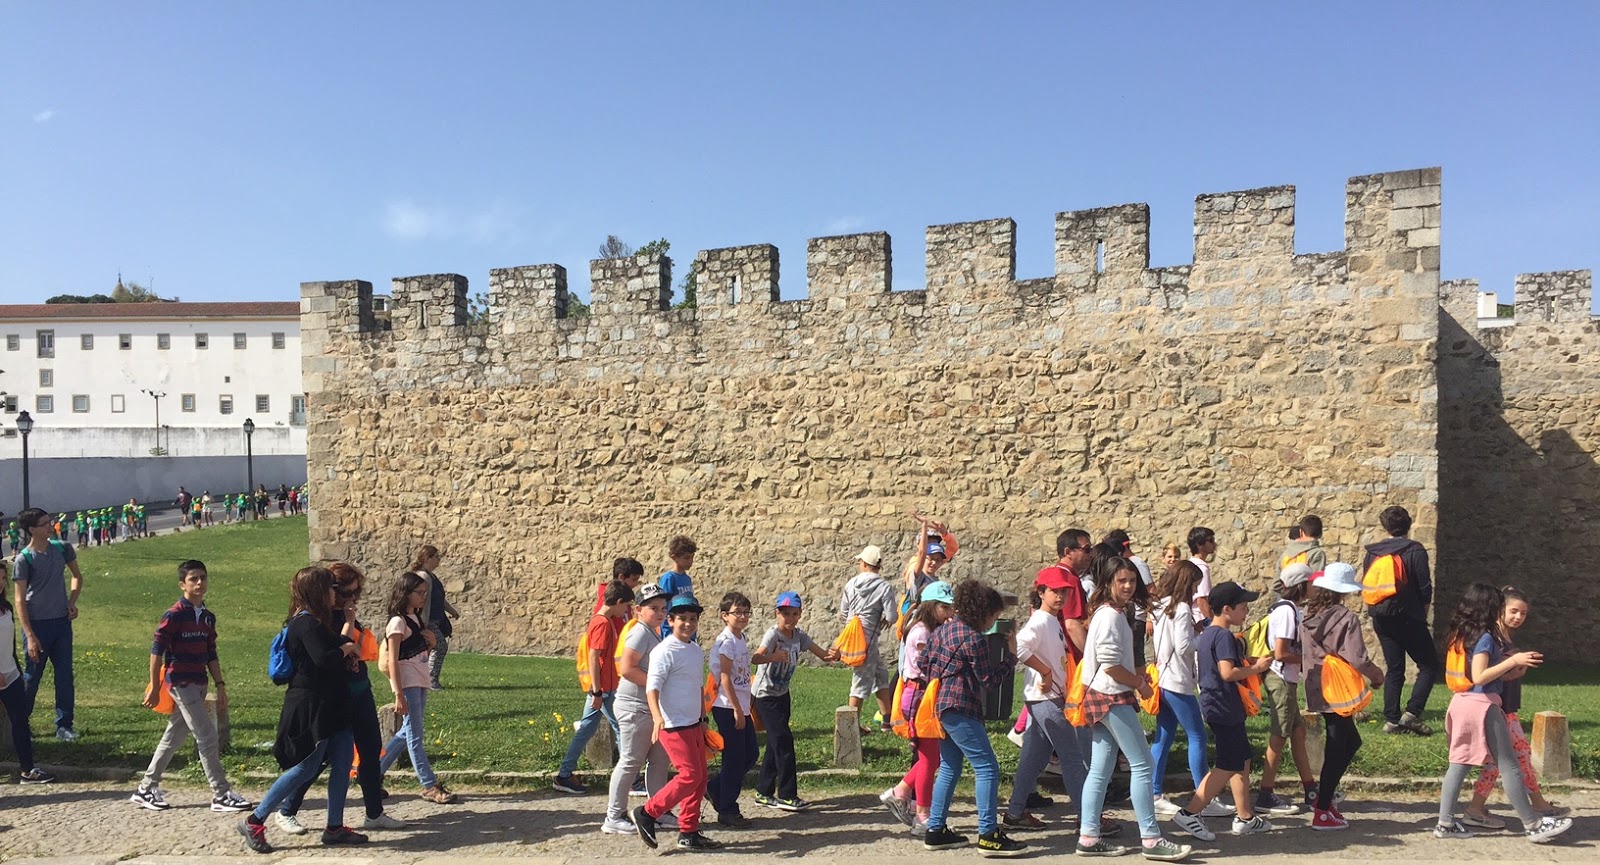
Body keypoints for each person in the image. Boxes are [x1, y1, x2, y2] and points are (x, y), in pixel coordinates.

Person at [236, 566, 364, 852]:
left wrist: (347, 644)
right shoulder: (304, 624)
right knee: (306, 766)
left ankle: (334, 826)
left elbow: (338, 646)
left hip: (334, 703)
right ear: (317, 591)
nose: (335, 593)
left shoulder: (320, 622)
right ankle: (255, 820)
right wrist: (345, 650)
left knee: (342, 763)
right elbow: (325, 659)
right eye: (330, 588)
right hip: (312, 705)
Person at [1433, 583, 1571, 844]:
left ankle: (1445, 823)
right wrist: (1513, 661)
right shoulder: (1485, 637)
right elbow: (1480, 676)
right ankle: (1533, 824)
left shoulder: (1461, 634)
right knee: (1509, 765)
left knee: (1459, 764)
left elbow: (1478, 677)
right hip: (1483, 706)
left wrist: (1511, 671)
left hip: (1461, 702)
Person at [278, 562, 406, 834]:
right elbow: (335, 651)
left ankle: (374, 813)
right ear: (330, 590)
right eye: (346, 593)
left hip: (359, 689)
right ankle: (287, 809)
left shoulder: (345, 614)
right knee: (319, 758)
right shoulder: (318, 619)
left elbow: (357, 649)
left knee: (370, 750)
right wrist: (348, 627)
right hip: (335, 695)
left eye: (356, 593)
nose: (351, 599)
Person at [1076, 557, 1191, 861]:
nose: (1128, 586)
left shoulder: (1109, 612)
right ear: (1108, 583)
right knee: (1143, 765)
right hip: (1111, 695)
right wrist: (1140, 684)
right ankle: (1151, 839)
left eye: (1132, 580)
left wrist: (1136, 681)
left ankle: (1088, 837)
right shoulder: (1110, 616)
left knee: (1100, 769)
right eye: (1121, 581)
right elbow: (1111, 666)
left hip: (1103, 694)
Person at [131, 559, 251, 812]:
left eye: (203, 578)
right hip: (180, 682)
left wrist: (220, 685)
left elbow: (211, 653)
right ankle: (221, 793)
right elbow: (157, 652)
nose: (199, 583)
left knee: (174, 734)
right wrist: (155, 687)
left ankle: (146, 788)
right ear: (182, 585)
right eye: (193, 579)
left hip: (199, 682)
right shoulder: (174, 615)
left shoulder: (207, 617)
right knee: (207, 735)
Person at [920, 578, 1026, 857]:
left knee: (950, 767)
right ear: (982, 612)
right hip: (962, 706)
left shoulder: (942, 630)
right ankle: (988, 834)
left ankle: (935, 830)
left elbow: (922, 663)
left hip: (940, 706)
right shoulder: (974, 638)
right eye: (994, 615)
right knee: (987, 767)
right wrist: (1011, 657)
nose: (993, 621)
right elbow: (989, 680)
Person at [1002, 566, 1105, 832]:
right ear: (1041, 592)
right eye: (1054, 591)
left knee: (1034, 759)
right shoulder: (1040, 621)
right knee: (1073, 757)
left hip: (1043, 698)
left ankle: (1015, 814)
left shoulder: (1050, 620)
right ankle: (1088, 819)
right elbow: (1019, 647)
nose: (1060, 596)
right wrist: (1046, 672)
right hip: (1045, 698)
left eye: (1065, 592)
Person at [1169, 581, 1274, 842]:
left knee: (1242, 758)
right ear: (1227, 609)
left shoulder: (1208, 634)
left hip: (1216, 703)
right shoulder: (1224, 636)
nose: (1246, 611)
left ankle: (1245, 816)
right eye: (1243, 606)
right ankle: (1190, 812)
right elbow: (1227, 673)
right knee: (1228, 763)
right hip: (1224, 704)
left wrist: (1247, 663)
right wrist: (1257, 668)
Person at [633, 593, 723, 851]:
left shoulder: (694, 650)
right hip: (672, 724)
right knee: (690, 775)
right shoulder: (663, 651)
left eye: (693, 619)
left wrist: (703, 718)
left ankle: (689, 832)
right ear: (670, 621)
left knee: (700, 777)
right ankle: (647, 813)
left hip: (693, 722)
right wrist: (657, 717)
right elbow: (652, 687)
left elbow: (697, 686)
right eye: (682, 618)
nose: (688, 623)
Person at [1299, 562, 1383, 828]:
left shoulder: (1309, 615)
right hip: (1339, 686)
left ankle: (1325, 798)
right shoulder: (1346, 618)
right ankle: (1322, 808)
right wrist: (1376, 675)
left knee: (1349, 740)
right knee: (1338, 745)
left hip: (1316, 682)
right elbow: (1357, 657)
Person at [751, 591, 839, 812]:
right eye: (785, 613)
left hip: (782, 695)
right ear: (777, 613)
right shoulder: (773, 635)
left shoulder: (799, 636)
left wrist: (835, 654)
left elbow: (823, 655)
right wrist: (773, 657)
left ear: (800, 614)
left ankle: (763, 792)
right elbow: (756, 657)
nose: (790, 618)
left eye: (794, 613)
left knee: (776, 743)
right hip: (765, 696)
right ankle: (788, 795)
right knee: (784, 744)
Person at [377, 570, 458, 805]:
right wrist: (398, 693)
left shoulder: (416, 619)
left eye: (425, 593)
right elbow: (394, 659)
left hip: (420, 679)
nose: (424, 597)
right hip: (408, 682)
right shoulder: (397, 622)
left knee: (407, 732)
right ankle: (429, 784)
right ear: (406, 593)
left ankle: (372, 773)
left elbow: (419, 653)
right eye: (420, 593)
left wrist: (430, 644)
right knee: (415, 735)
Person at [880, 579, 954, 835]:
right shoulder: (922, 632)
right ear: (931, 606)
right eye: (944, 607)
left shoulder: (930, 629)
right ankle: (922, 815)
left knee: (931, 758)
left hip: (925, 695)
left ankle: (901, 792)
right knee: (930, 759)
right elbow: (929, 664)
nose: (949, 612)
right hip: (919, 697)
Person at [707, 590, 784, 827]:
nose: (742, 616)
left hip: (740, 706)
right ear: (724, 615)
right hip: (727, 706)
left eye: (745, 612)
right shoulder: (726, 642)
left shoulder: (740, 638)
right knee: (734, 758)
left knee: (750, 754)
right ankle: (728, 810)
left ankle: (715, 787)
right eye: (737, 613)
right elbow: (725, 678)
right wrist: (736, 710)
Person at [1363, 505, 1439, 736]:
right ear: (1409, 524)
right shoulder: (1415, 550)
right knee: (1429, 665)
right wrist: (1422, 614)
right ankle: (1412, 713)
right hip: (1409, 616)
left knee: (1395, 668)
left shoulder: (1373, 553)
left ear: (1384, 527)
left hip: (1381, 617)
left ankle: (1392, 720)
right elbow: (1425, 588)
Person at [1149, 560, 1216, 818]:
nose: (1197, 590)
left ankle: (1154, 793)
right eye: (1195, 585)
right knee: (1197, 736)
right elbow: (1185, 646)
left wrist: (1193, 630)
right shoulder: (1183, 607)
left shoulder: (1161, 605)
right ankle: (1204, 797)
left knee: (1163, 737)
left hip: (1163, 678)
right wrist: (1202, 637)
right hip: (1178, 680)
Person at [552, 579, 633, 795]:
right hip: (603, 690)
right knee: (622, 729)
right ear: (618, 602)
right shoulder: (603, 623)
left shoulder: (602, 620)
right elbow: (594, 657)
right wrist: (597, 690)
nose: (626, 611)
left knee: (586, 730)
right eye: (626, 606)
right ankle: (630, 780)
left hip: (602, 689)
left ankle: (564, 775)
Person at [604, 584, 672, 834]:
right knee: (631, 761)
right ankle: (614, 816)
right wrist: (658, 683)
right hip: (634, 707)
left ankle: (657, 811)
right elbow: (627, 669)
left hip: (649, 707)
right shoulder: (640, 633)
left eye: (663, 608)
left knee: (659, 760)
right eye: (654, 608)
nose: (660, 612)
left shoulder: (653, 632)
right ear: (638, 610)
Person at [12, 507, 85, 741]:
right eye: (44, 524)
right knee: (32, 676)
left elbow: (77, 576)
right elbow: (19, 600)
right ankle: (20, 725)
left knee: (64, 676)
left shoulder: (62, 549)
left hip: (61, 624)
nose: (49, 526)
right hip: (37, 626)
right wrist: (30, 635)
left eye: (49, 521)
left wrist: (71, 602)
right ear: (32, 529)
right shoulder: (24, 559)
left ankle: (64, 725)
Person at [1254, 563, 1317, 817]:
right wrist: (1308, 660)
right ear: (1301, 585)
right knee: (1279, 735)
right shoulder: (1288, 611)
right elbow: (1280, 653)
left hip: (1285, 678)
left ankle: (1311, 789)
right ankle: (1265, 793)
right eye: (1310, 582)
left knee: (1298, 732)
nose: (1314, 586)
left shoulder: (1289, 609)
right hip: (1280, 678)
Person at [0, 559, 54, 784]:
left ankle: (27, 770)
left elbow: (9, 642)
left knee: (20, 720)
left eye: (4, 578)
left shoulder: (6, 608)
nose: (1, 583)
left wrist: (16, 670)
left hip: (10, 672)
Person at [840, 542, 898, 734]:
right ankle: (851, 727)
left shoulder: (850, 584)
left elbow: (843, 613)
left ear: (864, 563)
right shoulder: (884, 587)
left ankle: (887, 721)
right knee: (860, 682)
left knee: (880, 674)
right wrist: (883, 620)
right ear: (878, 565)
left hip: (853, 638)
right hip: (869, 639)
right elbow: (892, 616)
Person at [409, 545, 460, 690]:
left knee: (431, 648)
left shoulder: (431, 577)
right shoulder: (422, 577)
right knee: (440, 646)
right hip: (426, 620)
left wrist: (452, 610)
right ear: (427, 558)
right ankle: (431, 680)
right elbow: (420, 600)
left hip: (435, 620)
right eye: (436, 557)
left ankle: (424, 679)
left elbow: (439, 598)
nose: (439, 560)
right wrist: (421, 622)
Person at [656, 536, 698, 636]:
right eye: (686, 558)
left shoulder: (687, 579)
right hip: (672, 632)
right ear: (674, 557)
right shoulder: (668, 578)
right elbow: (665, 607)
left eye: (692, 557)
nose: (690, 561)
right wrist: (667, 633)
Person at [1184, 527, 1216, 623]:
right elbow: (1201, 601)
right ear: (1199, 545)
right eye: (1210, 540)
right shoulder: (1201, 568)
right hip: (1201, 619)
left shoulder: (1190, 564)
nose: (1214, 543)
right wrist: (1213, 625)